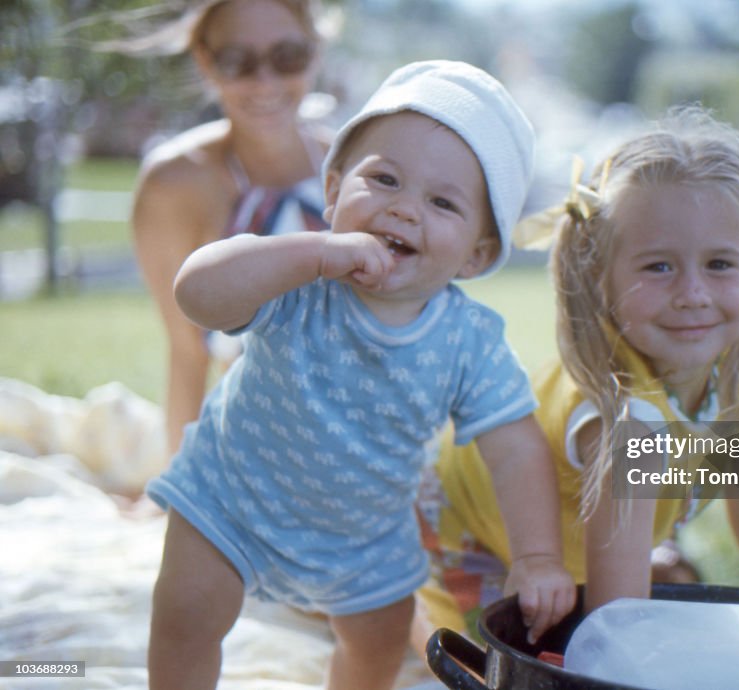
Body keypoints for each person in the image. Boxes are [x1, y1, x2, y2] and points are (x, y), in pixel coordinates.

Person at [145, 60, 576, 690]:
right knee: (184, 615)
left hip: (364, 538)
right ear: (335, 189)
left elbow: (513, 447)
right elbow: (197, 294)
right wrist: (313, 254)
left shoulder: (467, 341)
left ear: (477, 255)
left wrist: (538, 557)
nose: (404, 209)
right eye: (385, 180)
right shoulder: (295, 279)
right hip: (231, 499)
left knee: (377, 647)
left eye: (442, 202)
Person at [415, 106, 739, 643]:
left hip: (554, 558)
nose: (693, 294)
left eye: (720, 264)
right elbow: (617, 626)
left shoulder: (738, 386)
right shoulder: (627, 426)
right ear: (601, 280)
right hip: (448, 540)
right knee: (460, 668)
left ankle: (657, 564)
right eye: (659, 266)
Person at [131, 0, 331, 460]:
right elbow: (187, 354)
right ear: (204, 60)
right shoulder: (173, 185)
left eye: (287, 57)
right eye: (237, 61)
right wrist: (178, 495)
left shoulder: (357, 164)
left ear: (315, 50)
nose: (265, 82)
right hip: (258, 456)